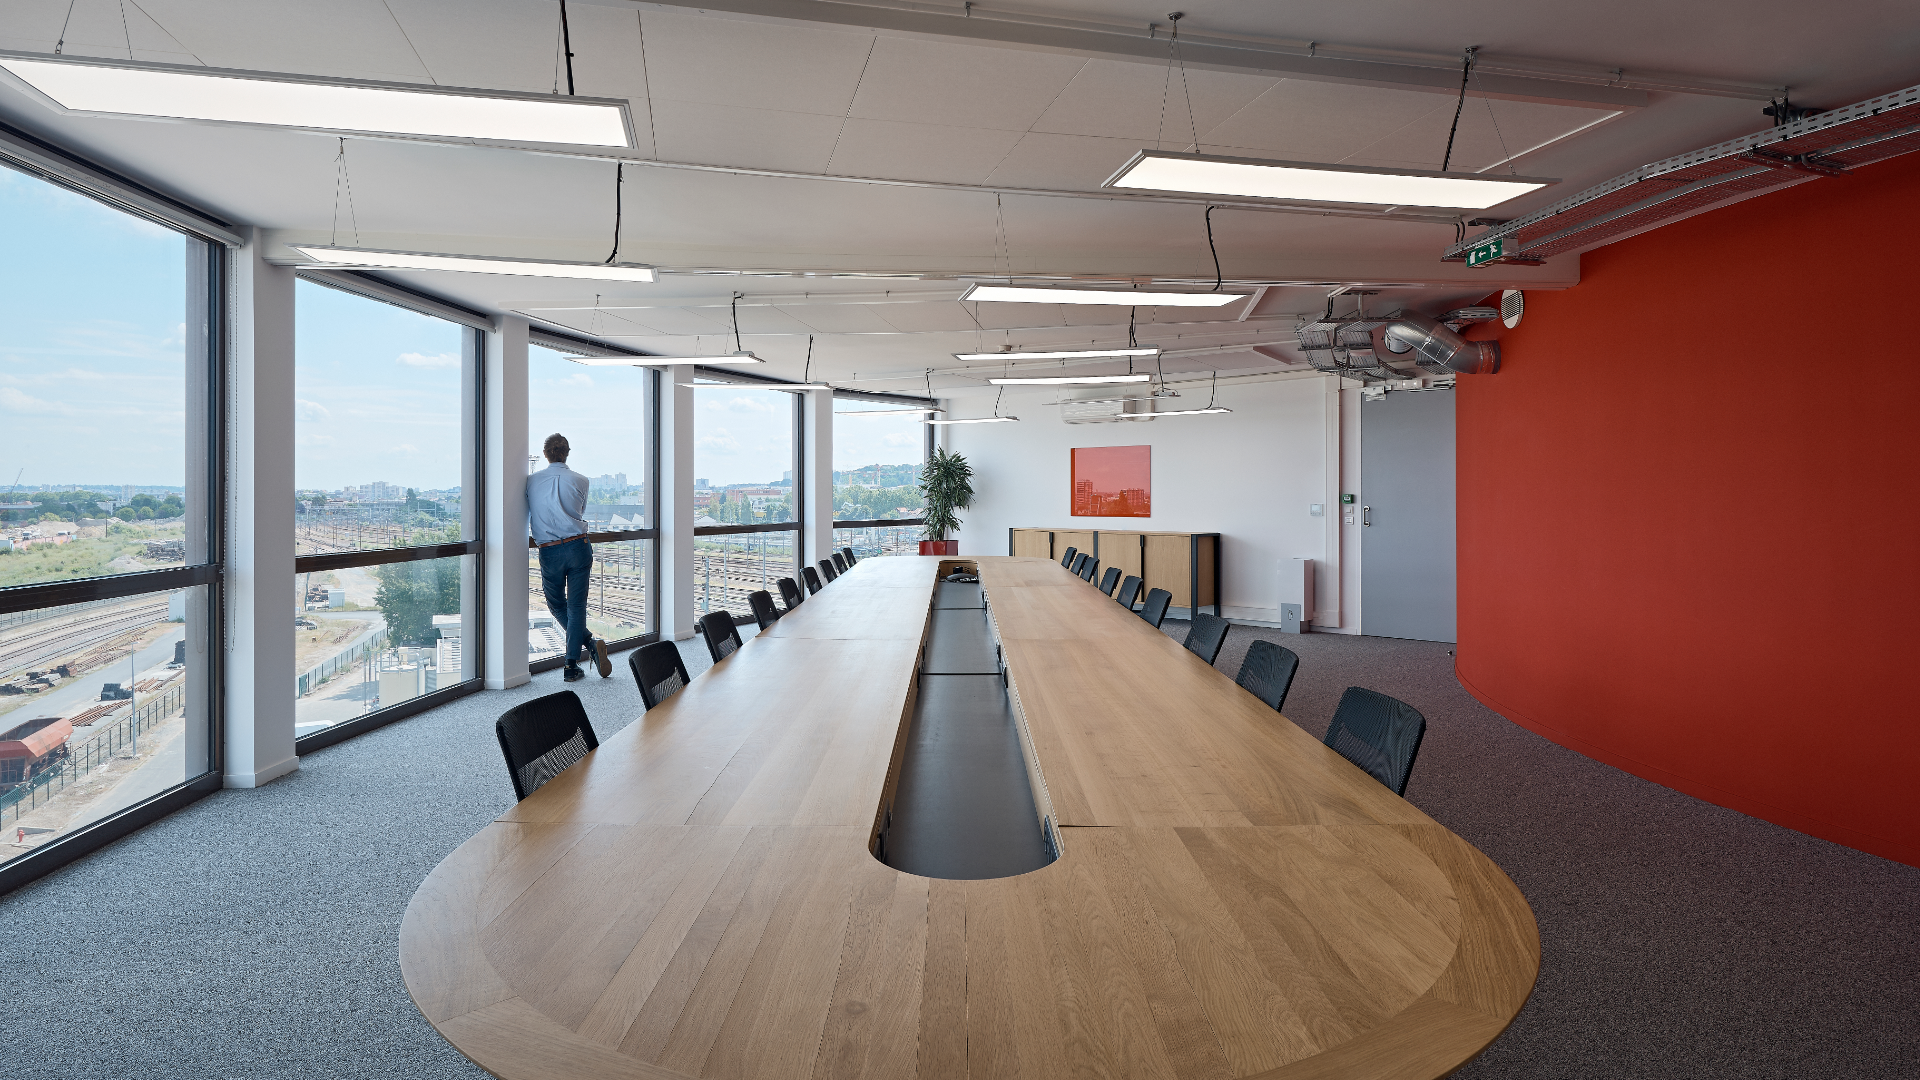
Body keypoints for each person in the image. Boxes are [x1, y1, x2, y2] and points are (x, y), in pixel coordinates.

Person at [527, 433, 608, 681]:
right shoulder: (581, 481)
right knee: (576, 606)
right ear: (568, 452)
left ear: (545, 454)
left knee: (556, 605)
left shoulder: (531, 481)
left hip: (549, 550)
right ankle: (572, 664)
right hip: (578, 546)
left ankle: (586, 646)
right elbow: (579, 511)